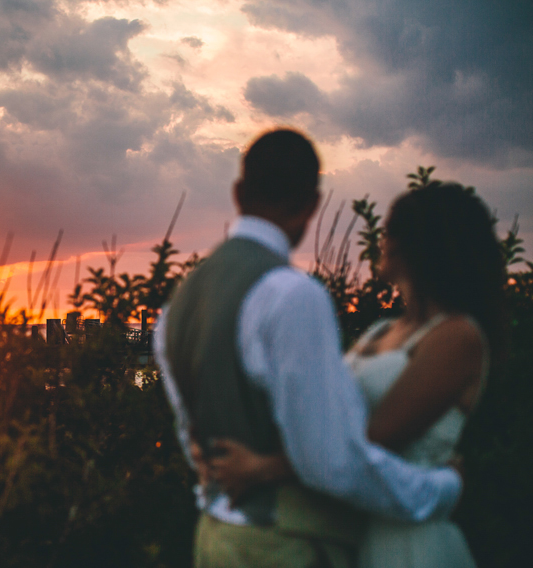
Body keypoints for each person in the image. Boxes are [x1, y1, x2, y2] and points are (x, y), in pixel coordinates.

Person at [154, 128, 463, 568]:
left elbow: (197, 447)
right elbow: (332, 462)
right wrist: (439, 489)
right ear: (312, 204)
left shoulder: (176, 306)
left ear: (238, 192)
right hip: (289, 544)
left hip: (214, 539)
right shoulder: (292, 295)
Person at [197, 182, 505, 567]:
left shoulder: (458, 336)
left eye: (389, 229)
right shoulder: (379, 331)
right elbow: (318, 408)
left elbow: (368, 439)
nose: (380, 239)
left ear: (414, 243)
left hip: (406, 539)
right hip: (348, 531)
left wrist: (262, 468)